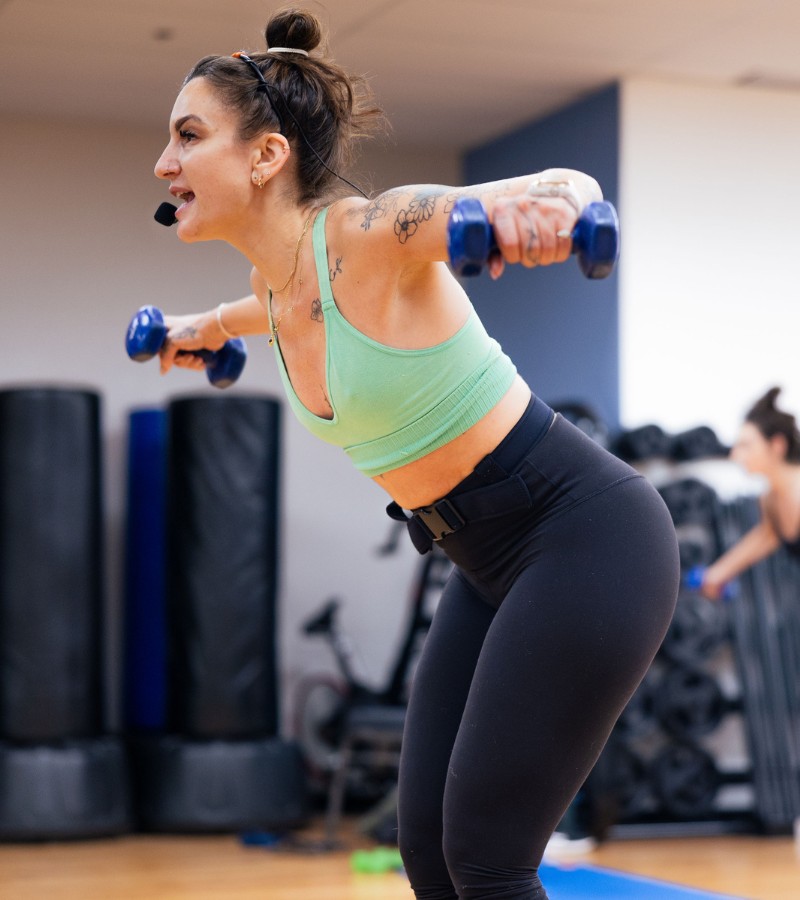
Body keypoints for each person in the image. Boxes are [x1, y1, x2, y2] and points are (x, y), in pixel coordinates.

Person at [152, 9, 680, 899]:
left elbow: (565, 177)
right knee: (429, 851)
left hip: (586, 538)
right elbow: (263, 315)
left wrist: (557, 209)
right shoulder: (275, 287)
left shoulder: (375, 232)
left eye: (188, 136)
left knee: (486, 855)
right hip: (482, 564)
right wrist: (195, 328)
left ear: (266, 156)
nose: (165, 165)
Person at [699, 387, 800, 601]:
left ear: (777, 445)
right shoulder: (771, 499)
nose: (735, 455)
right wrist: (718, 574)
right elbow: (767, 535)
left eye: (746, 445)